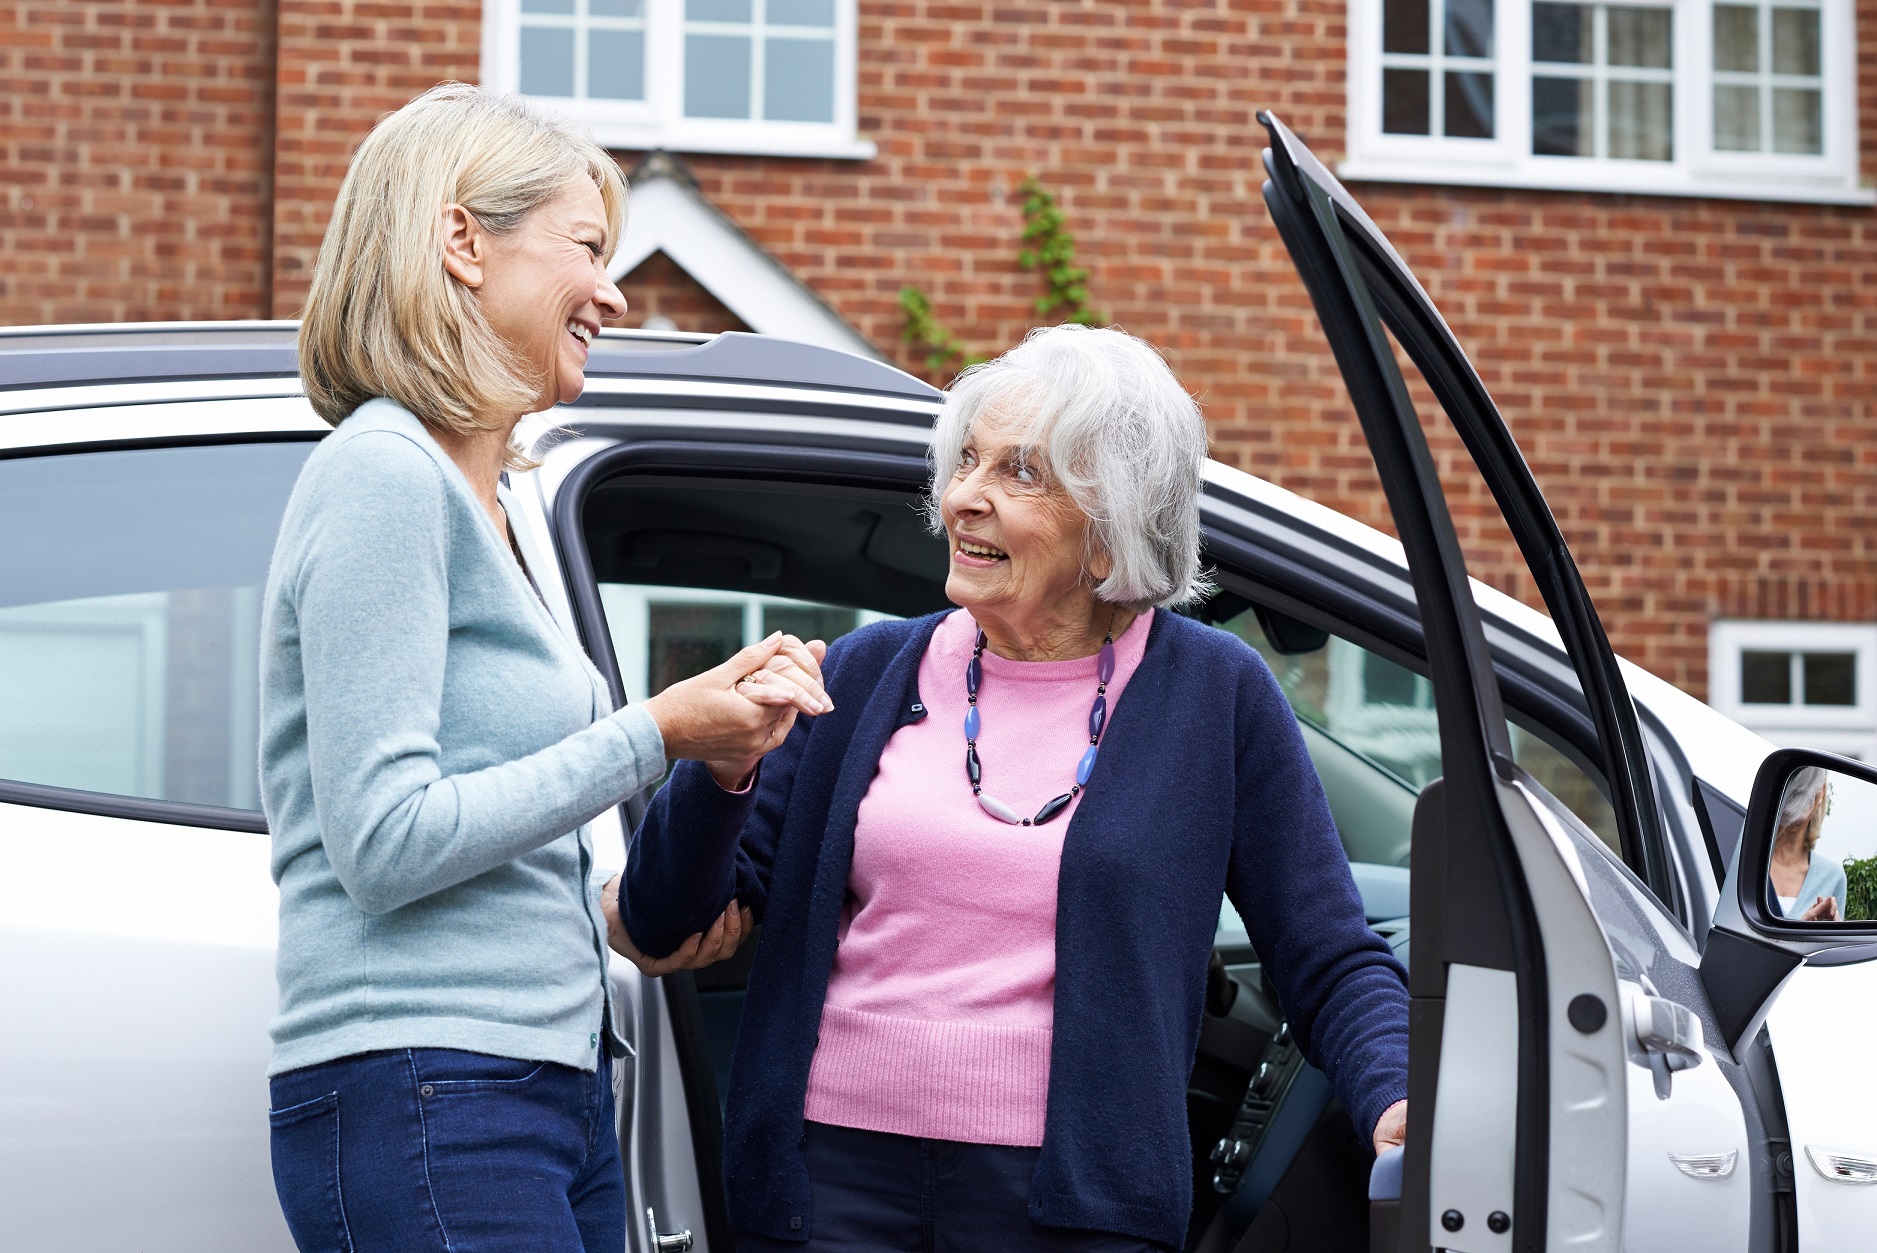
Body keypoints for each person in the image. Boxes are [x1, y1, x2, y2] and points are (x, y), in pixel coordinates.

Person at [605, 325, 1411, 1251]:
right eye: (967, 461)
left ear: (1112, 520)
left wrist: (1394, 1093)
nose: (963, 498)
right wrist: (722, 767)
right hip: (826, 1186)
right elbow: (664, 919)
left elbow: (1326, 950)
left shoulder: (1215, 696)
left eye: (1020, 473)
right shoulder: (864, 674)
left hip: (1074, 1206)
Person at [259, 85, 828, 1252]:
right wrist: (655, 731)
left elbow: (475, 817)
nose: (613, 292)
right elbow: (383, 839)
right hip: (431, 1085)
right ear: (462, 240)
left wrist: (607, 907)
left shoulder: (492, 503)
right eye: (585, 247)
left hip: (529, 1087)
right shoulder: (385, 475)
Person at [1770, 766, 1846, 921]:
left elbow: (1833, 944)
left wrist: (1830, 933)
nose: (1801, 789)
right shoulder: (1749, 861)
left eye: (1810, 781)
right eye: (1796, 779)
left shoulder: (1833, 876)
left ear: (1822, 792)